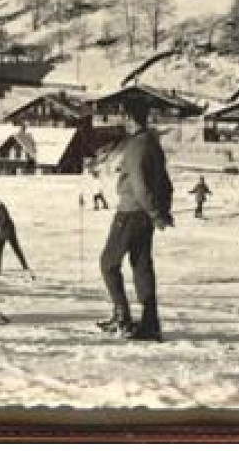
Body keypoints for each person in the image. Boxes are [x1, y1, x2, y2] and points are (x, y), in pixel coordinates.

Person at [97, 95, 174, 342]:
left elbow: (140, 184)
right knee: (141, 265)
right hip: (144, 215)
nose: (122, 120)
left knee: (109, 263)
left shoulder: (136, 145)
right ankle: (150, 322)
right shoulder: (153, 142)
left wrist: (155, 212)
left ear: (129, 117)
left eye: (123, 116)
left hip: (131, 211)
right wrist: (161, 210)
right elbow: (165, 181)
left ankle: (122, 316)